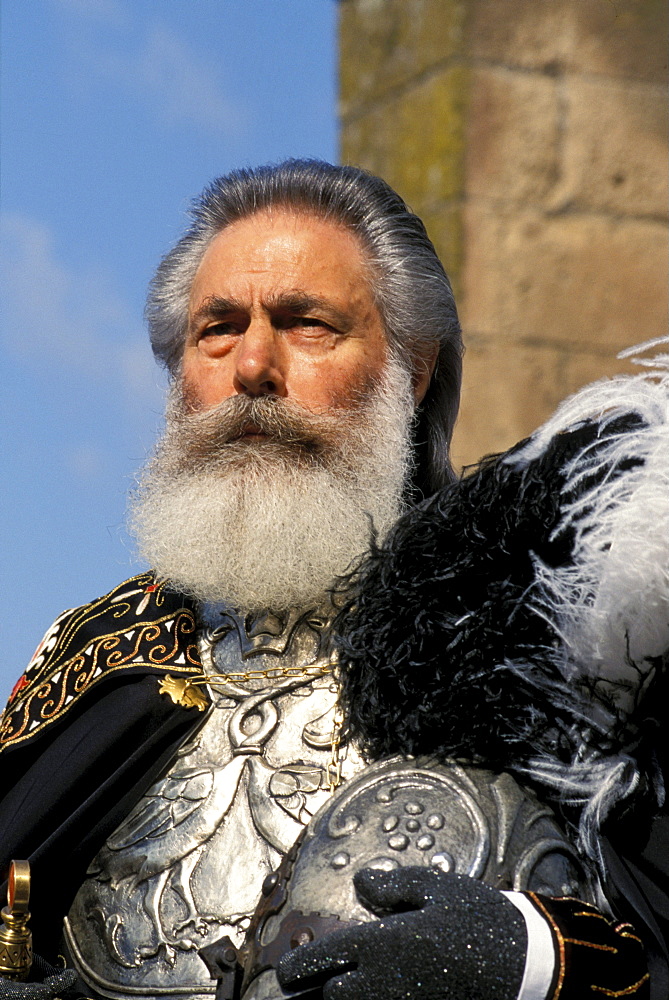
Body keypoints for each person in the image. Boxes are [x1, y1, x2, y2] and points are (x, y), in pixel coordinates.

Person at [0, 161, 661, 1000]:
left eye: (306, 324)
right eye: (218, 328)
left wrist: (535, 957)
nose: (252, 367)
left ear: (411, 371)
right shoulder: (93, 654)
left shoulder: (539, 629)